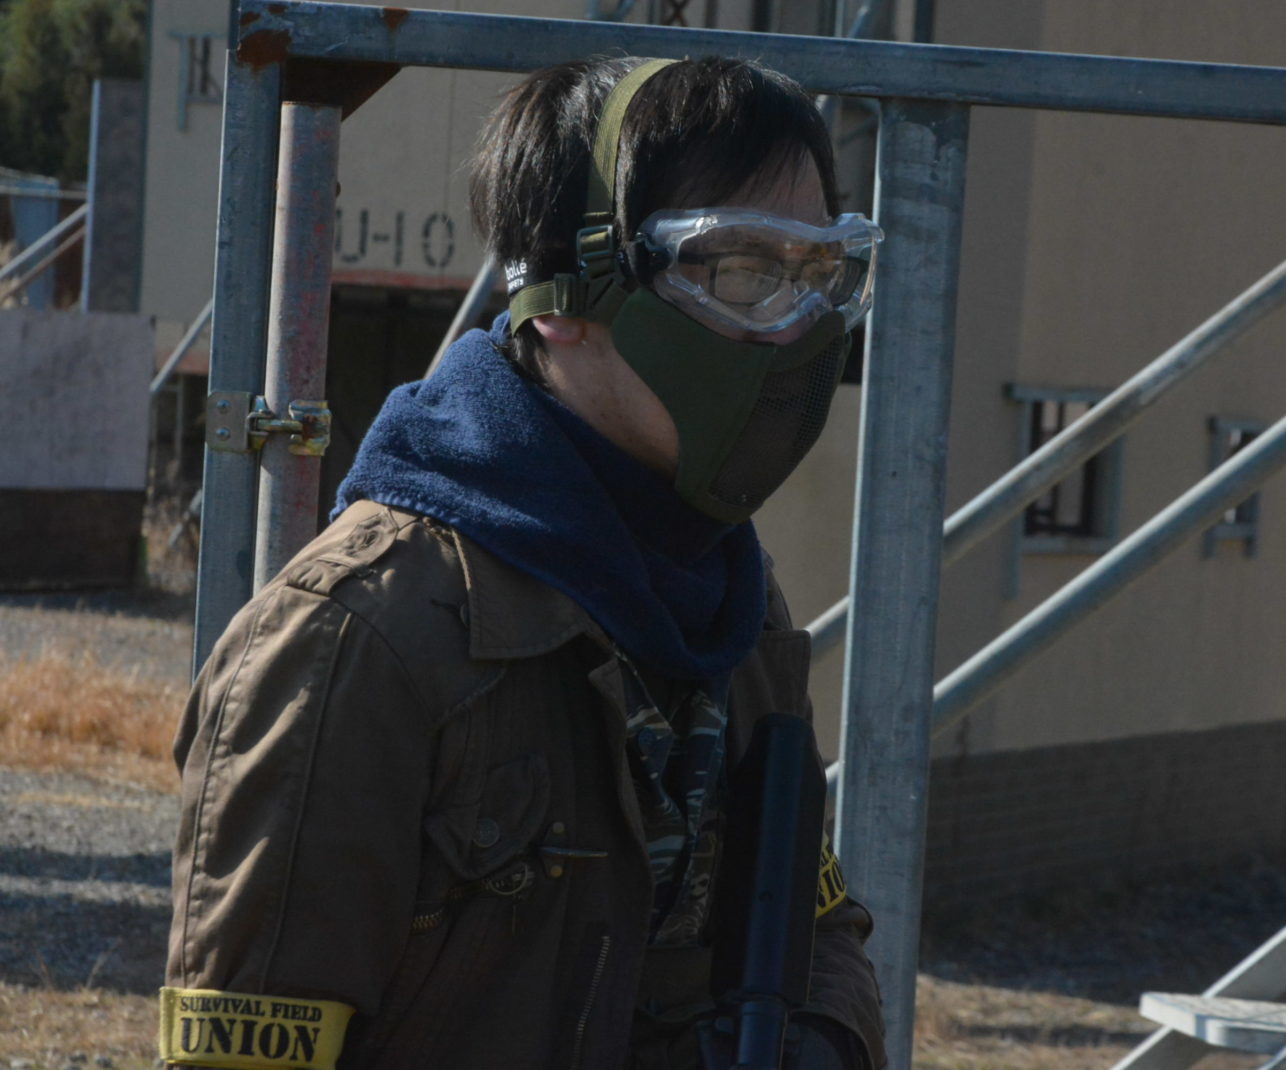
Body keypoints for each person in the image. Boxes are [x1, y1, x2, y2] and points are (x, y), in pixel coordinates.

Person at [160, 56, 888, 1070]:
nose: (794, 329)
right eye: (741, 271)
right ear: (561, 294)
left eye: (817, 275)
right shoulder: (354, 643)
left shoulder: (727, 597)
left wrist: (820, 1042)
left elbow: (817, 922)